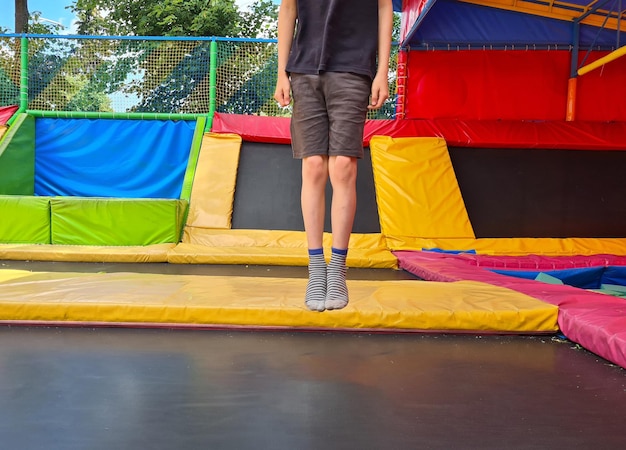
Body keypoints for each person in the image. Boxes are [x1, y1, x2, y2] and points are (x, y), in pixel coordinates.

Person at [274, 0, 393, 312]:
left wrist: (383, 71)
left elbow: (384, 8)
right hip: (304, 68)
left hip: (353, 68)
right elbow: (288, 10)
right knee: (313, 166)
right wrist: (281, 73)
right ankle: (316, 268)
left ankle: (337, 268)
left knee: (343, 167)